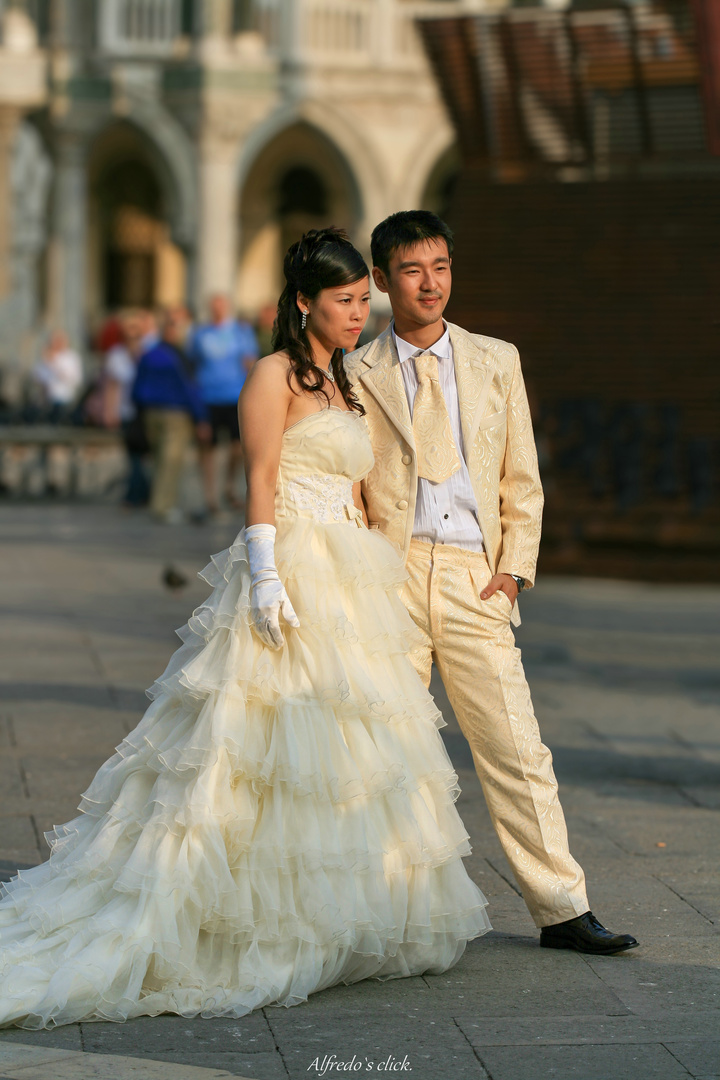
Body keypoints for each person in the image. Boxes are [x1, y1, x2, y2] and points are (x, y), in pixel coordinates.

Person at [0, 228, 490, 1029]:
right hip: (292, 565)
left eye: (363, 300)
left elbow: (356, 484)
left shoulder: (343, 380)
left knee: (351, 746)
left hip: (350, 578)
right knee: (261, 742)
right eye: (344, 301)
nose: (359, 313)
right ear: (303, 303)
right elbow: (260, 478)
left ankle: (355, 901)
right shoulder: (273, 376)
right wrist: (265, 576)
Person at [345, 211, 638, 956]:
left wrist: (511, 573)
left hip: (476, 576)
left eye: (441, 265)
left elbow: (521, 477)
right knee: (392, 752)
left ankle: (562, 907)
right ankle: (392, 909)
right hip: (395, 575)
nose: (430, 282)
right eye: (412, 270)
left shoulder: (494, 359)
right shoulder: (357, 371)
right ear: (382, 281)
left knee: (517, 747)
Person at [133, 306, 211, 524]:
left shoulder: (149, 354)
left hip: (151, 413)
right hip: (176, 415)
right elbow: (190, 389)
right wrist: (201, 417)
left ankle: (161, 502)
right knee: (171, 462)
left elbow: (137, 387)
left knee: (160, 461)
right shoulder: (178, 357)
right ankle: (163, 506)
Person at [190, 294, 259, 514]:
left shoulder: (241, 332)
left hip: (234, 396)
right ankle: (210, 496)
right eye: (214, 307)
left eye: (221, 306)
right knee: (206, 447)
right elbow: (191, 363)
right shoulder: (200, 333)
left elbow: (250, 362)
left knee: (237, 447)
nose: (217, 311)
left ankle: (229, 485)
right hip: (207, 397)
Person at [102, 310, 151, 507]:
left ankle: (141, 493)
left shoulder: (148, 352)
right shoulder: (116, 355)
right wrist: (110, 411)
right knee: (133, 456)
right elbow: (112, 386)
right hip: (127, 411)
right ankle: (135, 495)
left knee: (144, 456)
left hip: (146, 411)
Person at [32, 331, 83, 424]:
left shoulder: (71, 357)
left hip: (64, 398)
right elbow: (37, 377)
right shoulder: (46, 357)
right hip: (45, 399)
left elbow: (75, 379)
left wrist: (54, 363)